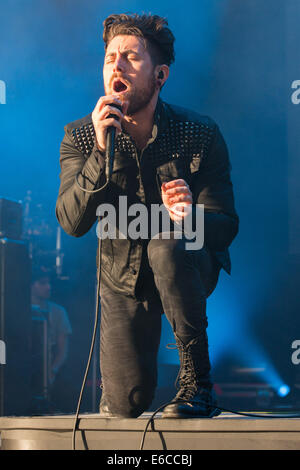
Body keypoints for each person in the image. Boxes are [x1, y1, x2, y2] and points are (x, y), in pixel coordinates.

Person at [56, 13, 239, 418]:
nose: (116, 66)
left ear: (159, 75)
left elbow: (225, 227)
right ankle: (124, 391)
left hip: (182, 261)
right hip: (122, 277)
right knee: (126, 406)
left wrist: (192, 214)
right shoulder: (82, 137)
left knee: (168, 242)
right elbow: (72, 222)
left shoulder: (198, 133)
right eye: (110, 58)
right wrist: (101, 153)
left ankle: (198, 384)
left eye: (130, 58)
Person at [31, 267, 72, 388]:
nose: (48, 287)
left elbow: (63, 349)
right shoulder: (17, 310)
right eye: (43, 283)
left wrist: (52, 371)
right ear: (30, 285)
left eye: (49, 283)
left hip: (50, 373)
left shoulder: (58, 312)